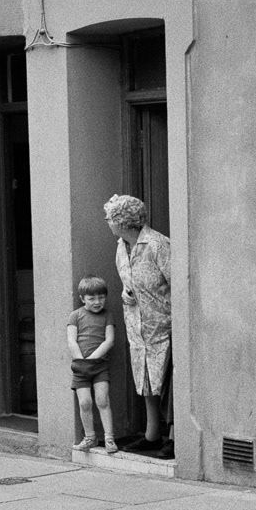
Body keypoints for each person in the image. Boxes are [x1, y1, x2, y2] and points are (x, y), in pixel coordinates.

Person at [104, 194, 173, 459]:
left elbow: (176, 283)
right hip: (137, 325)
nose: (109, 223)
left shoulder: (157, 244)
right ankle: (151, 435)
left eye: (111, 218)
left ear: (123, 221)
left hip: (162, 324)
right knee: (145, 381)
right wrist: (126, 293)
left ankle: (173, 438)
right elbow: (129, 280)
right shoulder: (122, 247)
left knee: (166, 383)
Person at [67, 275, 116, 454]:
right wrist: (81, 360)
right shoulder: (75, 316)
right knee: (85, 403)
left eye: (101, 297)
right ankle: (90, 437)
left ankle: (109, 438)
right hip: (80, 368)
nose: (97, 302)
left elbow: (109, 341)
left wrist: (93, 358)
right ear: (82, 299)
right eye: (92, 298)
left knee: (103, 400)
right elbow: (71, 341)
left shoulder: (108, 315)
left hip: (99, 366)